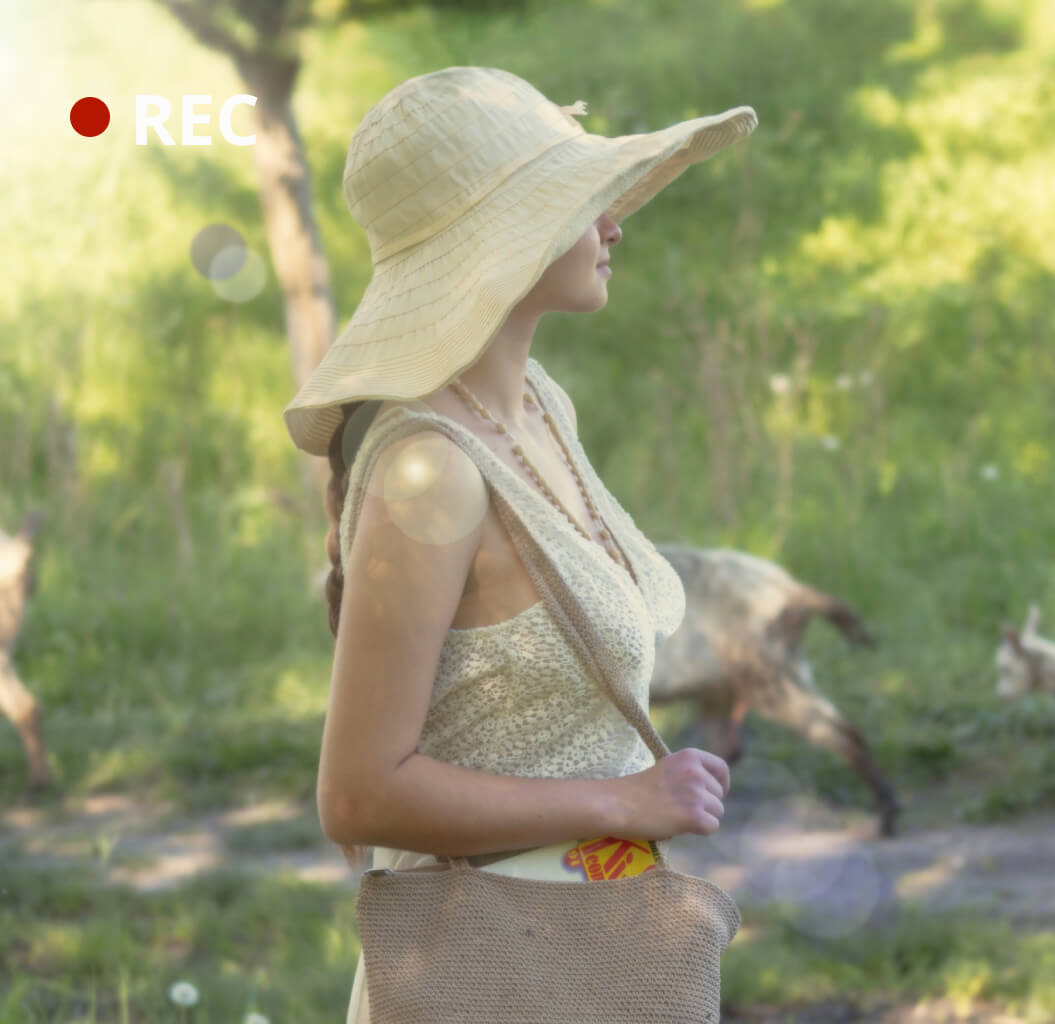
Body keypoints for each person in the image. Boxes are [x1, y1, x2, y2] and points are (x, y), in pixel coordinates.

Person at [279, 66, 756, 1022]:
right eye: (580, 203)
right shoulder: (432, 471)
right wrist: (622, 802)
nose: (613, 224)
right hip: (491, 970)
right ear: (501, 241)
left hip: (585, 948)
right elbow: (359, 795)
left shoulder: (539, 406)